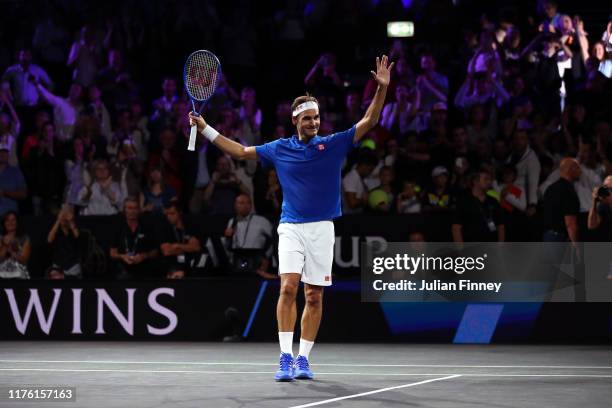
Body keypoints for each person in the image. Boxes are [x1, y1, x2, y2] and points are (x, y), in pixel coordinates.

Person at [189, 55, 393, 381]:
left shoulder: (334, 144)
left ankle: (303, 359)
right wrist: (206, 129)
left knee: (314, 295)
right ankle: (285, 357)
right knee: (288, 288)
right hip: (291, 228)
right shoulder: (279, 148)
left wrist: (381, 89)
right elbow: (241, 152)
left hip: (322, 229)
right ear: (296, 121)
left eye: (317, 118)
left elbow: (369, 120)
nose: (314, 123)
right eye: (308, 118)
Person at [224, 194, 275, 279]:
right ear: (235, 205)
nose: (245, 206)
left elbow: (275, 240)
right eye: (241, 203)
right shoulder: (232, 221)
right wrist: (227, 237)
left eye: (248, 203)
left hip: (256, 261)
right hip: (237, 262)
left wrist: (266, 257)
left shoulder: (261, 221)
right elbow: (228, 245)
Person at [109, 197, 158, 279]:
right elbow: (112, 253)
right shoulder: (118, 227)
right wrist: (123, 256)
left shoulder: (146, 227)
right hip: (123, 270)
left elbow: (155, 252)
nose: (132, 211)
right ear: (124, 210)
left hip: (144, 269)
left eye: (135, 208)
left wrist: (144, 256)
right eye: (130, 208)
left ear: (139, 210)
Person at [452, 170, 505, 242]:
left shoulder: (493, 201)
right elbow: (456, 228)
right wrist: (460, 250)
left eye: (490, 179)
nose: (489, 182)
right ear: (475, 181)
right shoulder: (464, 201)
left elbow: (500, 226)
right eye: (486, 179)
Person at [541, 158, 581, 244]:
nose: (580, 171)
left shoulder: (550, 188)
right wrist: (577, 247)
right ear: (570, 170)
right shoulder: (568, 190)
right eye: (578, 168)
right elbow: (570, 223)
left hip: (547, 237)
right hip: (559, 239)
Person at [159, 200, 201, 279]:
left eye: (172, 213)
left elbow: (196, 247)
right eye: (167, 214)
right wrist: (187, 248)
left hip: (189, 266)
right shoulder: (164, 229)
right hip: (172, 267)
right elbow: (167, 251)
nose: (169, 217)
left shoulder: (189, 227)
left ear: (179, 213)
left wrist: (177, 245)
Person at [47, 205, 82, 278]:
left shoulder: (74, 227)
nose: (64, 217)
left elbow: (78, 237)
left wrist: (71, 221)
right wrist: (58, 220)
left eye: (66, 215)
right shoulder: (55, 228)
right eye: (63, 215)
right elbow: (49, 240)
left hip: (73, 265)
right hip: (58, 264)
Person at [0, 212, 30, 279]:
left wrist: (11, 250)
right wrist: (5, 245)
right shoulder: (0, 238)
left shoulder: (24, 239)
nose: (10, 222)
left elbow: (24, 260)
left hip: (19, 275)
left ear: (17, 222)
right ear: (4, 223)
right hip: (1, 275)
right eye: (7, 220)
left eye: (13, 220)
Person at [0, 143, 27, 216]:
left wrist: (5, 192)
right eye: (0, 152)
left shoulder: (15, 172)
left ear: (8, 155)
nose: (2, 155)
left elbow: (23, 194)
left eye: (5, 152)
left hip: (9, 216)